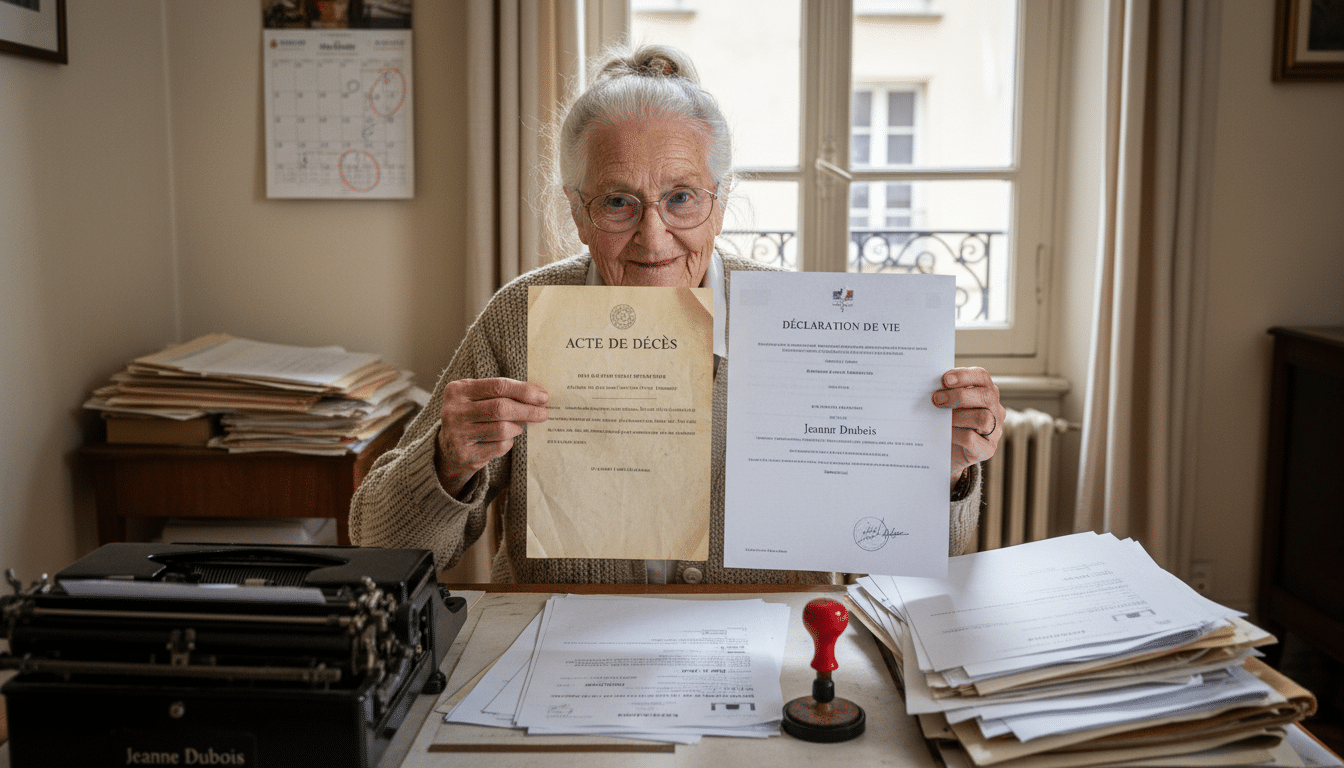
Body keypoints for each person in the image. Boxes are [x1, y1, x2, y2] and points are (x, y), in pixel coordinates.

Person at [349, 44, 1006, 584]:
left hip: (767, 666)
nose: (654, 239)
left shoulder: (804, 326)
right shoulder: (520, 317)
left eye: (683, 197)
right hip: (561, 668)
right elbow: (380, 546)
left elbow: (911, 552)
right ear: (578, 214)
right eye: (617, 202)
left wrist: (940, 468)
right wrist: (446, 459)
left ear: (720, 205)